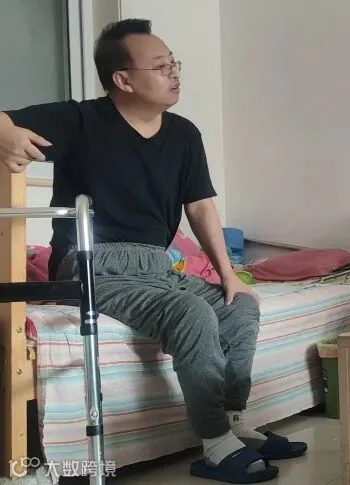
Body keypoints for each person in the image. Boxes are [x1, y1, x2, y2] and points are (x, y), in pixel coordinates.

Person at [0, 19, 305, 483]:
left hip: (156, 265)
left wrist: (229, 275)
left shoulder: (183, 134)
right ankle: (215, 443)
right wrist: (5, 131)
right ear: (123, 79)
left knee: (240, 306)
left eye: (174, 64)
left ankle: (233, 422)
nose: (175, 73)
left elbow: (200, 207)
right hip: (94, 264)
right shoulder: (81, 120)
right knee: (190, 313)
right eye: (161, 67)